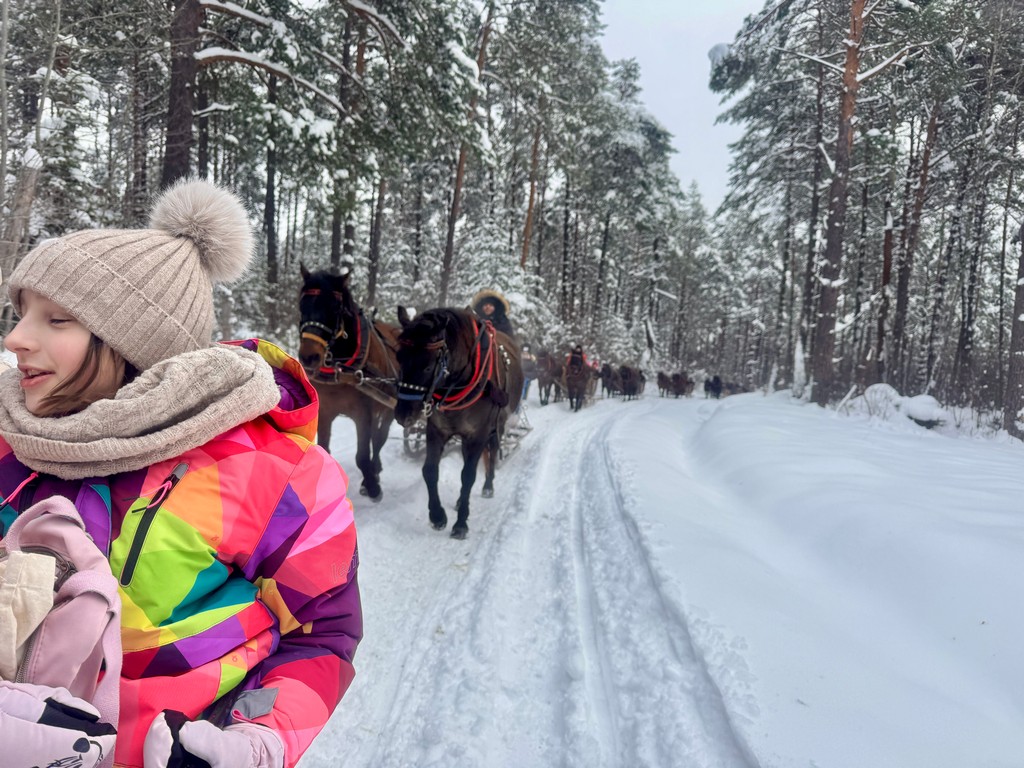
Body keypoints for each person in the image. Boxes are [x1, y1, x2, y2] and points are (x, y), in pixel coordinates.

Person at [0, 179, 361, 768]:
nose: (15, 339)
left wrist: (255, 741)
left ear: (135, 343)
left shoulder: (275, 473)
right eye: (21, 314)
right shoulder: (9, 440)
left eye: (56, 319)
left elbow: (322, 635)